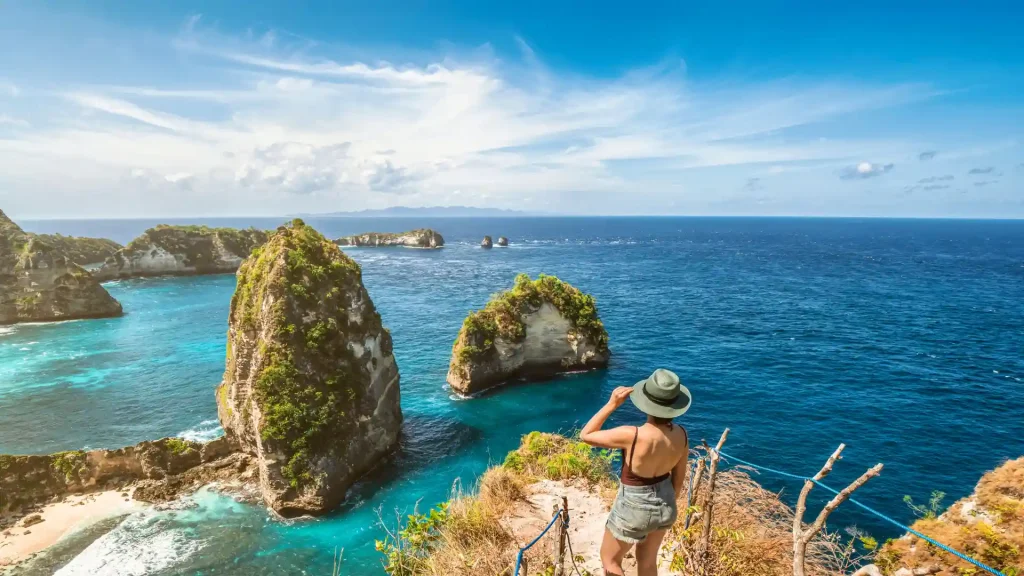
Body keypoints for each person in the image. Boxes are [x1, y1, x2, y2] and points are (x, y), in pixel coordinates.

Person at [580, 369, 692, 576]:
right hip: (666, 505)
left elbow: (586, 435)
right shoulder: (682, 435)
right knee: (648, 561)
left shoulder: (632, 435)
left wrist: (612, 404)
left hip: (633, 507)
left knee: (610, 560)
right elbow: (678, 482)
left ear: (646, 402)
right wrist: (663, 502)